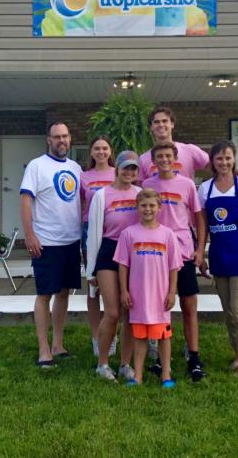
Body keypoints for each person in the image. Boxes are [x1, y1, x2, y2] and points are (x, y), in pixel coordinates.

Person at [198, 140, 238, 378]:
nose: (224, 162)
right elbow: (204, 224)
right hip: (219, 255)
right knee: (228, 310)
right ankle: (237, 353)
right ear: (212, 162)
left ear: (234, 159)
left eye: (228, 158)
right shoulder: (205, 189)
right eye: (219, 158)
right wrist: (201, 253)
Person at [142, 141, 207, 382]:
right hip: (157, 255)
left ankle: (194, 356)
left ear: (175, 158)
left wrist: (200, 249)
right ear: (153, 161)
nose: (164, 160)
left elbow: (199, 219)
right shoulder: (147, 185)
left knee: (189, 306)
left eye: (168, 156)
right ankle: (161, 358)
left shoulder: (187, 184)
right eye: (159, 156)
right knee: (161, 307)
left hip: (183, 251)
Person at [20, 121, 82, 368]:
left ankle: (58, 344)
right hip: (46, 242)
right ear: (48, 140)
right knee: (44, 294)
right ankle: (43, 349)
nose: (62, 141)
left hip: (71, 241)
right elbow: (25, 201)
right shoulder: (36, 166)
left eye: (65, 136)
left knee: (64, 292)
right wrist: (30, 235)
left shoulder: (76, 167)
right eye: (57, 137)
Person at [115, 189, 182, 387]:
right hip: (138, 297)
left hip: (160, 297)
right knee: (140, 337)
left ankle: (166, 376)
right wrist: (124, 291)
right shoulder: (128, 234)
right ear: (137, 208)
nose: (148, 209)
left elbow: (174, 267)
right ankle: (138, 376)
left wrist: (171, 292)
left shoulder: (168, 234)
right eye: (144, 205)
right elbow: (122, 265)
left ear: (159, 208)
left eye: (152, 205)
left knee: (163, 336)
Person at [86, 150, 141, 382]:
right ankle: (103, 363)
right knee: (112, 312)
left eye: (133, 168)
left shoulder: (140, 193)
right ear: (116, 168)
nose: (129, 172)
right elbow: (94, 233)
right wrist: (91, 269)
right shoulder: (102, 195)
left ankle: (125, 364)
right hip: (108, 252)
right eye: (125, 167)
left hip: (134, 254)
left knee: (130, 313)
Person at [138, 106, 238, 192]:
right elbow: (140, 190)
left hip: (185, 221)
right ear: (151, 127)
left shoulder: (189, 150)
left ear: (172, 124)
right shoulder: (144, 159)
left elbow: (219, 167)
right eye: (156, 122)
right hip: (156, 222)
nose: (161, 125)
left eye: (165, 121)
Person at [80, 135, 116, 356]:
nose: (101, 152)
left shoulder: (118, 173)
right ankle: (96, 336)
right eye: (97, 148)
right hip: (90, 231)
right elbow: (79, 206)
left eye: (105, 148)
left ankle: (112, 334)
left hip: (114, 233)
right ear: (91, 153)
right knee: (93, 286)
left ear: (110, 151)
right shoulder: (83, 176)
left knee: (114, 286)